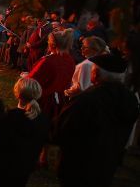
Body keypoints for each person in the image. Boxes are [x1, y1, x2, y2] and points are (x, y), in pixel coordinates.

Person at [54, 54, 139, 187]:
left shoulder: (87, 100)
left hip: (80, 165)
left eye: (93, 69)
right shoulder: (130, 100)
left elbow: (62, 130)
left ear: (96, 74)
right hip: (107, 163)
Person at [0, 78, 49, 187]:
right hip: (26, 165)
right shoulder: (43, 119)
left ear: (17, 94)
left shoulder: (9, 117)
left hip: (4, 166)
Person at [28, 28, 76, 120]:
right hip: (61, 101)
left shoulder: (48, 61)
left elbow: (33, 80)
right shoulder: (70, 60)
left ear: (52, 44)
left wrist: (26, 77)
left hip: (45, 102)